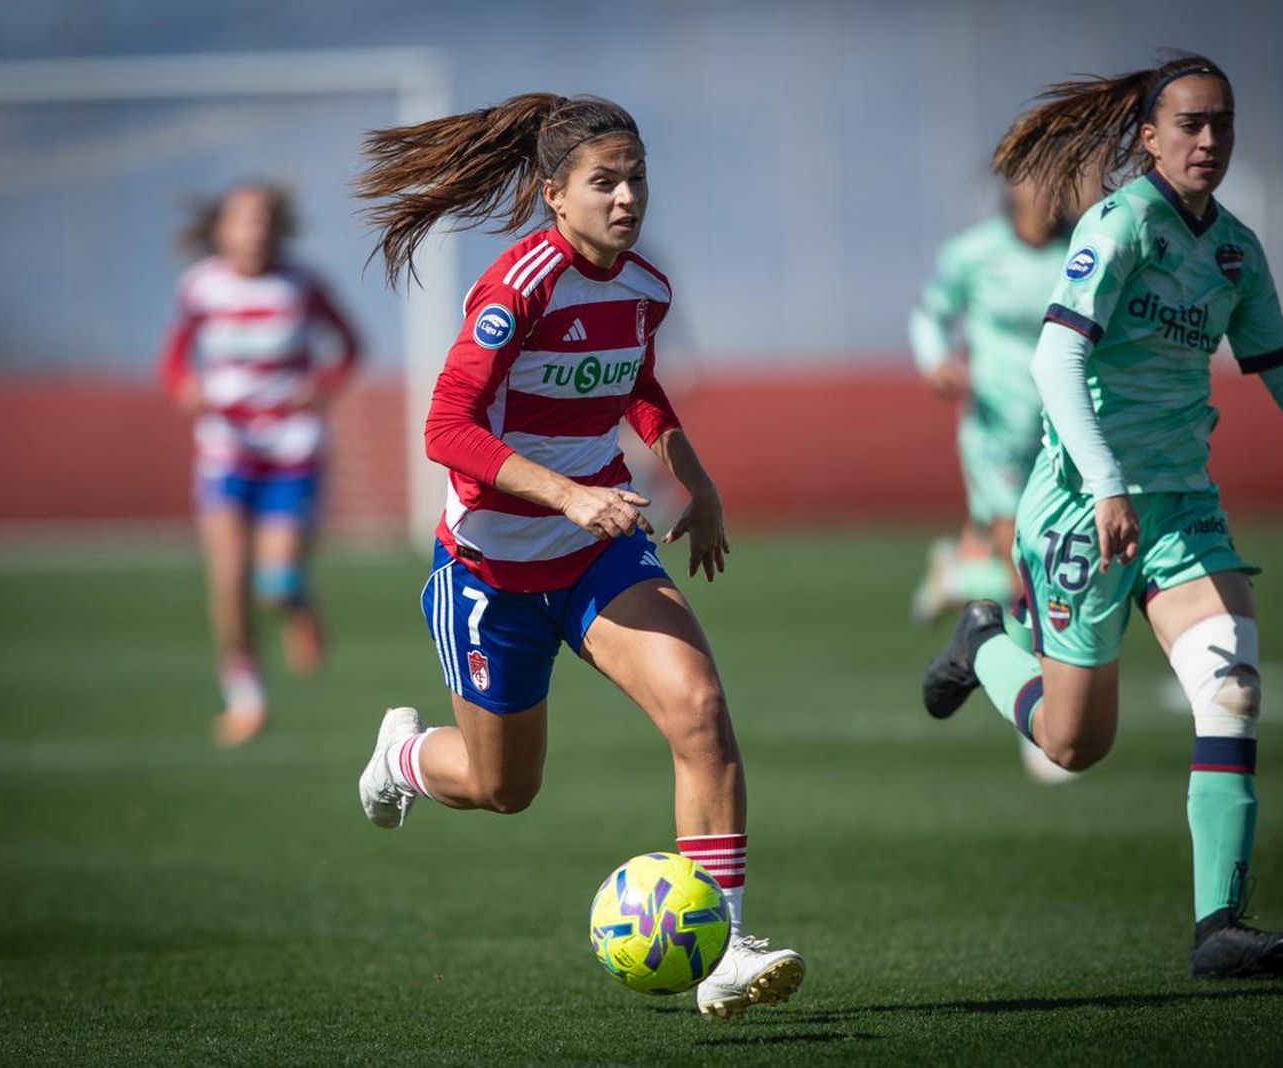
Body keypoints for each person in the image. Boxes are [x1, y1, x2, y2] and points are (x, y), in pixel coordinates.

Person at [921, 55, 1283, 978]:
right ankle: (982, 640)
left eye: (1221, 124)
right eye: (1189, 125)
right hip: (1081, 508)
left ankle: (1217, 926)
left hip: (1180, 509)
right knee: (1074, 743)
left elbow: (1281, 366)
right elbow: (1054, 363)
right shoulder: (1120, 222)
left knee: (1235, 689)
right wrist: (1103, 484)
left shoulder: (1236, 250)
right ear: (1149, 136)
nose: (1208, 140)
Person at [351, 93, 804, 1017]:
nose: (627, 196)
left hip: (599, 556)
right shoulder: (516, 287)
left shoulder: (645, 288)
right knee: (501, 787)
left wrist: (698, 484)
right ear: (556, 194)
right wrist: (567, 493)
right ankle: (401, 759)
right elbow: (445, 426)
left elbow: (637, 387)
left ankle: (719, 946)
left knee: (702, 714)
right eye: (605, 181)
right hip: (488, 571)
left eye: (636, 178)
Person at [159, 183, 362, 747]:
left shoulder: (302, 284)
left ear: (279, 229)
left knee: (272, 583)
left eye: (265, 220)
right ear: (221, 230)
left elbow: (347, 346)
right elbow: (175, 358)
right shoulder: (200, 287)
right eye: (243, 221)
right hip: (226, 449)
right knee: (228, 580)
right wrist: (185, 387)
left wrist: (318, 389)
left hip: (292, 450)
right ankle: (246, 698)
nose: (255, 231)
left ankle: (297, 603)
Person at [908, 177, 1085, 785]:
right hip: (994, 430)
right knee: (1026, 559)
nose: (1053, 188)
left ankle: (958, 572)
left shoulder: (1086, 249)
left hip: (1068, 429)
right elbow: (930, 313)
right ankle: (1042, 717)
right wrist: (935, 359)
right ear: (1012, 186)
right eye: (1038, 175)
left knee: (1064, 557)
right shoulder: (973, 254)